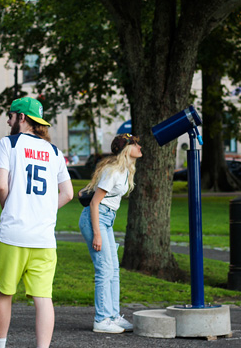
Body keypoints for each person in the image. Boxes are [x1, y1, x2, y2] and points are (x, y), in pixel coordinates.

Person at [0, 97, 74, 348]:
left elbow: (1, 185)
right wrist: (46, 209)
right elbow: (69, 193)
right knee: (43, 298)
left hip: (13, 234)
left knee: (5, 293)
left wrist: (11, 207)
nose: (8, 120)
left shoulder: (9, 144)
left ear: (22, 118)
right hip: (44, 238)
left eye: (11, 115)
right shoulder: (55, 152)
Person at [78, 133, 142, 333]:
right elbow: (95, 203)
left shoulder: (125, 171)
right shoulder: (113, 171)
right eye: (135, 144)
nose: (139, 147)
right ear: (126, 149)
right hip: (95, 219)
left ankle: (113, 316)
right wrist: (97, 233)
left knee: (113, 269)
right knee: (104, 270)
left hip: (106, 219)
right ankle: (102, 319)